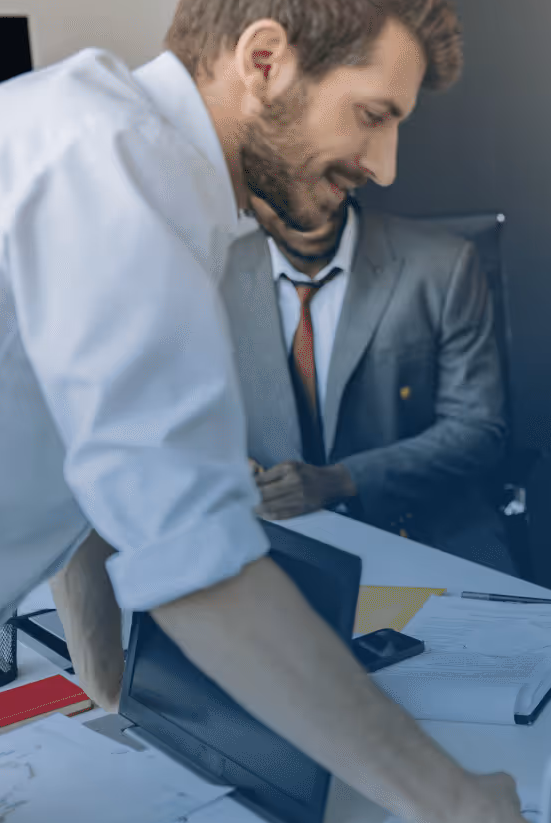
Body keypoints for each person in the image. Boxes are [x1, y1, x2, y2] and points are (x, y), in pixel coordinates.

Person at [0, 0, 531, 823]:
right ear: (266, 58)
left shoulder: (105, 146)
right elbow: (203, 571)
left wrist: (111, 688)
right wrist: (451, 805)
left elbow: (96, 462)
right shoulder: (117, 171)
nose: (386, 165)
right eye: (373, 115)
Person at [221, 191, 516, 574]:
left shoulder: (444, 263)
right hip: (275, 552)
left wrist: (341, 480)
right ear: (247, 201)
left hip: (427, 538)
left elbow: (478, 429)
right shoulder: (213, 276)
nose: (305, 205)